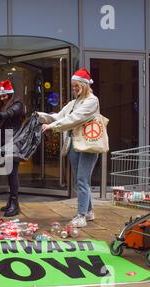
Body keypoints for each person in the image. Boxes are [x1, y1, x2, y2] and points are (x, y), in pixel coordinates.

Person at [38, 68, 100, 228]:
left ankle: (81, 216)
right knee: (81, 180)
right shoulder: (73, 103)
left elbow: (74, 119)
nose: (74, 89)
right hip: (74, 143)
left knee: (81, 179)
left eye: (76, 86)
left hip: (88, 145)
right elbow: (59, 116)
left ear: (85, 85)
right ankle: (90, 211)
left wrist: (51, 126)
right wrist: (39, 116)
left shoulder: (92, 101)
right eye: (73, 86)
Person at [0, 80, 26, 217]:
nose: (2, 98)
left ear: (10, 94)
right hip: (6, 141)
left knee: (13, 172)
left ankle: (15, 204)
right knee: (10, 172)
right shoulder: (1, 105)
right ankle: (11, 202)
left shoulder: (18, 104)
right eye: (1, 96)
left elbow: (10, 113)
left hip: (13, 141)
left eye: (5, 96)